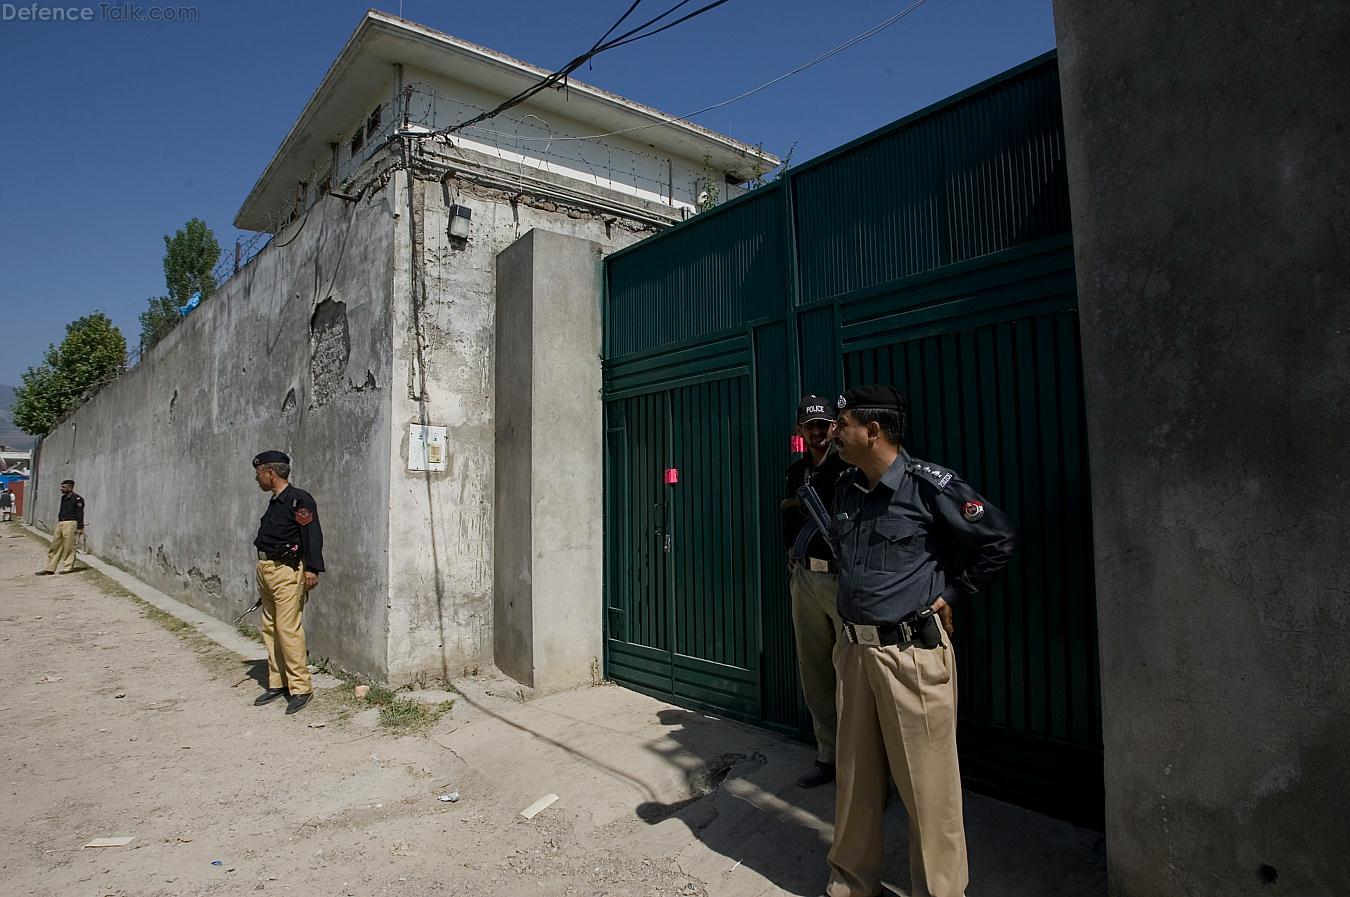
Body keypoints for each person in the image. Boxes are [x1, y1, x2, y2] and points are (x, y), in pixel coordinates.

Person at [823, 385, 1016, 897]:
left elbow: (998, 539)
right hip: (855, 652)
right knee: (855, 785)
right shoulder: (845, 486)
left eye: (843, 423)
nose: (834, 432)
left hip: (911, 656)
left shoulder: (928, 486)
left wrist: (955, 591)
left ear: (874, 430)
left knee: (930, 794)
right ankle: (849, 883)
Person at [782, 394, 850, 788]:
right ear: (801, 430)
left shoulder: (847, 468)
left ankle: (863, 765)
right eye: (811, 425)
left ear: (835, 427)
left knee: (853, 673)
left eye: (824, 424)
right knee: (814, 669)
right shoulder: (796, 472)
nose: (818, 431)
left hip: (839, 579)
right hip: (805, 577)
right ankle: (829, 755)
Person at [250, 450, 325, 715]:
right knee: (270, 627)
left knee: (287, 629)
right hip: (267, 569)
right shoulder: (276, 502)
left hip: (287, 570)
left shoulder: (298, 500)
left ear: (270, 473)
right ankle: (278, 681)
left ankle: (300, 687)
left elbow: (311, 534)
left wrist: (313, 568)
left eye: (259, 473)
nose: (257, 479)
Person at [35, 479, 85, 575]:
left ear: (70, 488)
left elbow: (80, 514)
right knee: (55, 546)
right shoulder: (64, 498)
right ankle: (50, 568)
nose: (61, 489)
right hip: (61, 523)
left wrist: (80, 527)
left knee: (69, 547)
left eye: (63, 487)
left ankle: (68, 567)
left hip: (71, 523)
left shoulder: (77, 499)